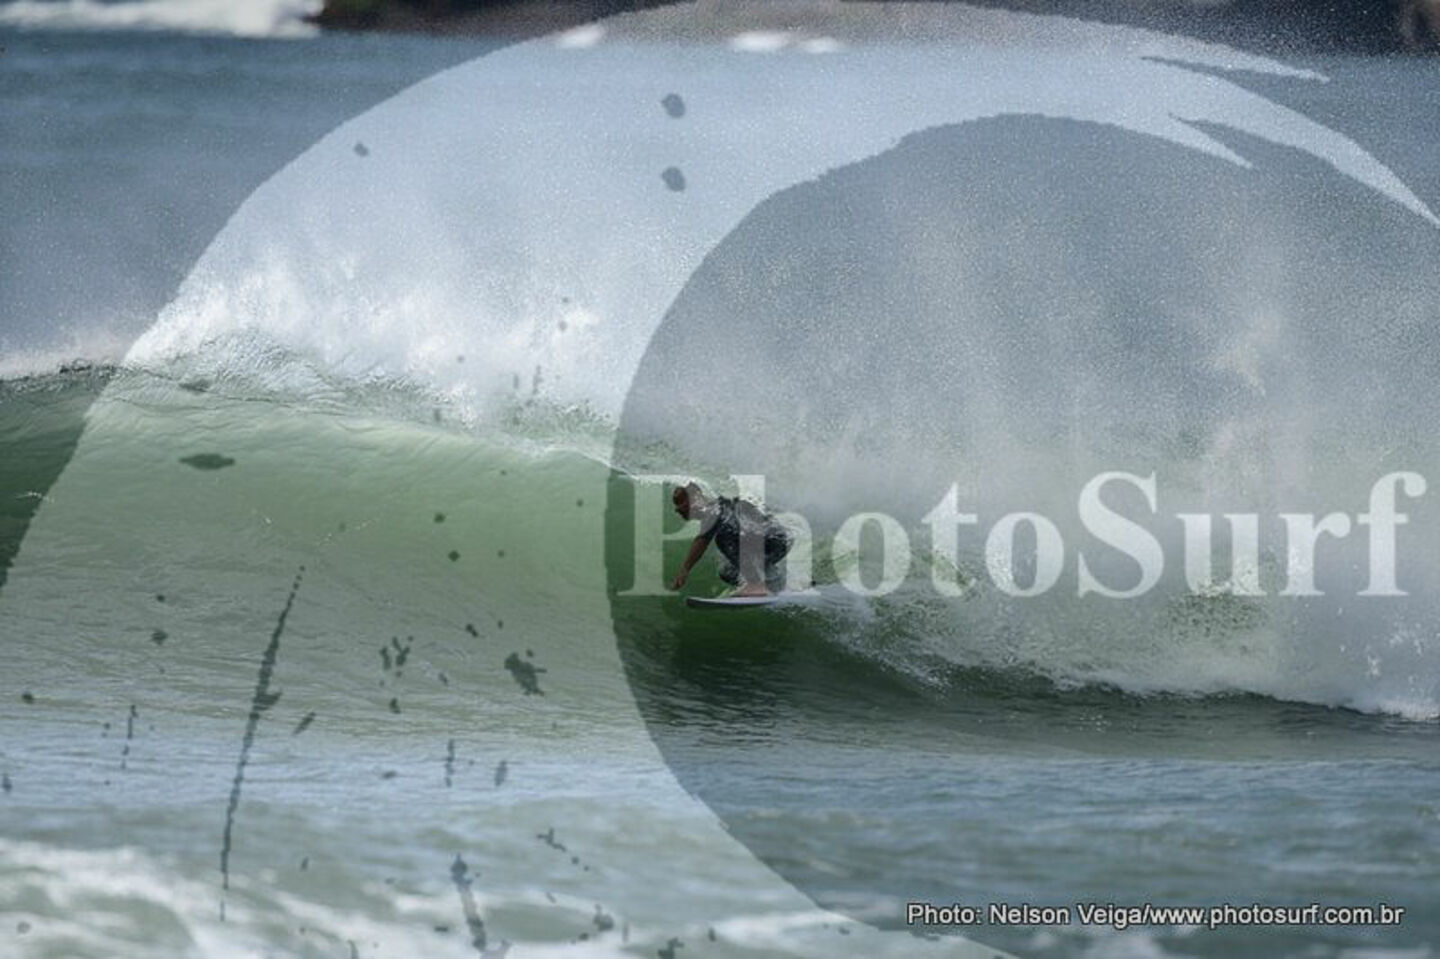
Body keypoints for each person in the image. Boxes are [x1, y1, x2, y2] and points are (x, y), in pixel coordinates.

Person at [669, 482, 793, 597]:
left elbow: (702, 540)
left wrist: (684, 570)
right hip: (774, 542)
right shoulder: (722, 507)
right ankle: (779, 584)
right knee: (727, 571)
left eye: (682, 504)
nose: (679, 510)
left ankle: (755, 586)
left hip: (775, 541)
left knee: (724, 535)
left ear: (696, 497)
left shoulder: (715, 510)